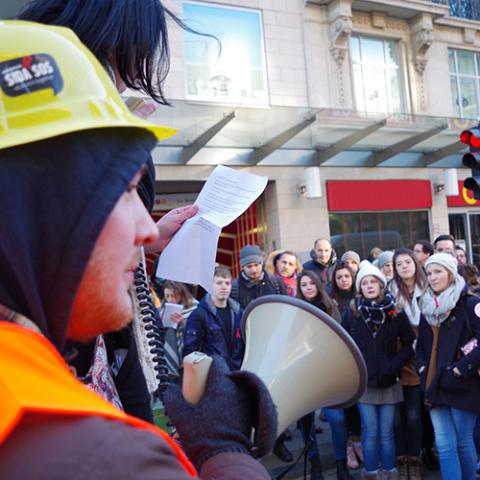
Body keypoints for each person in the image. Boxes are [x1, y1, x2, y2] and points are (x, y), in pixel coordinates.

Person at [0, 21, 276, 479]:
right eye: (124, 191)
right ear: (42, 212)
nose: (148, 230)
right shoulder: (102, 457)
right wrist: (223, 451)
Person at [342, 261, 415, 480]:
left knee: (387, 433)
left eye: (374, 281)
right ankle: (372, 473)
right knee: (370, 433)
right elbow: (343, 344)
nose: (370, 285)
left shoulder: (396, 312)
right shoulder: (352, 314)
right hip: (365, 384)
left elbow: (410, 343)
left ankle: (389, 473)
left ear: (381, 285)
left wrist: (393, 365)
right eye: (365, 282)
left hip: (390, 381)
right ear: (360, 288)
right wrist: (358, 368)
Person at [417, 253, 480, 480]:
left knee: (463, 442)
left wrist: (461, 369)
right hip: (435, 384)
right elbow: (421, 346)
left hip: (463, 384)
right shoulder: (426, 305)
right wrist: (423, 369)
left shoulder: (471, 303)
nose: (432, 277)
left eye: (438, 272)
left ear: (451, 273)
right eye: (429, 273)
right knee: (444, 444)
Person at [297, 270, 354, 480]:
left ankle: (341, 464)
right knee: (306, 422)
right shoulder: (294, 309)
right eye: (304, 285)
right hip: (303, 374)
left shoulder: (332, 307)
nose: (309, 288)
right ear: (300, 288)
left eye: (311, 284)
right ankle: (315, 463)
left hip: (328, 371)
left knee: (337, 419)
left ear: (318, 285)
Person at [389, 248, 428, 480]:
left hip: (419, 355)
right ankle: (400, 459)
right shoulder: (391, 290)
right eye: (399, 264)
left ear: (415, 263)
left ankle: (414, 460)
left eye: (407, 262)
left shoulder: (428, 288)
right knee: (397, 417)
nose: (404, 267)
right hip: (397, 355)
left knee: (414, 415)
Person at [183, 267, 244, 371]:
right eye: (219, 283)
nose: (224, 287)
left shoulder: (238, 313)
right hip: (212, 373)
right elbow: (190, 351)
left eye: (227, 283)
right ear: (210, 285)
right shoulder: (199, 315)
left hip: (237, 371)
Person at [160, 281, 198, 381]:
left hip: (189, 351)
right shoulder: (162, 308)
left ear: (181, 294)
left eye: (173, 296)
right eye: (167, 296)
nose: (170, 299)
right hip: (170, 349)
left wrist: (183, 323)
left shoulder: (194, 306)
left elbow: (198, 331)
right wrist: (159, 319)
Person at [231, 245, 286, 310]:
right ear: (242, 267)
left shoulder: (275, 281)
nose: (254, 270)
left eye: (256, 265)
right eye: (249, 266)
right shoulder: (234, 288)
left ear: (261, 264)